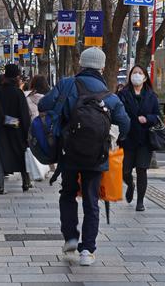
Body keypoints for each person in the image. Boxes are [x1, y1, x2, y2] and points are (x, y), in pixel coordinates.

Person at [38, 47, 130, 266]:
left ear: (81, 63)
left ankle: (70, 236)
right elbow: (125, 123)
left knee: (68, 193)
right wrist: (118, 139)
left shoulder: (67, 84)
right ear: (102, 66)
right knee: (91, 200)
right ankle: (87, 250)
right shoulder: (110, 96)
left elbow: (43, 105)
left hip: (69, 152)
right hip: (98, 155)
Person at [117, 65, 161, 212]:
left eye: (139, 73)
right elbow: (117, 113)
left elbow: (157, 116)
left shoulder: (151, 95)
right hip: (127, 137)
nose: (136, 75)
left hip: (145, 138)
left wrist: (147, 118)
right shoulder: (123, 94)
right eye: (134, 73)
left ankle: (140, 201)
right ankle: (130, 185)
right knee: (125, 171)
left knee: (142, 170)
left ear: (145, 77)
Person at [0, 64, 31, 195]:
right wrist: (26, 131)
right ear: (17, 77)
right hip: (17, 131)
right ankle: (26, 181)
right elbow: (24, 115)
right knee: (22, 155)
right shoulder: (18, 93)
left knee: (1, 157)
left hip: (0, 130)